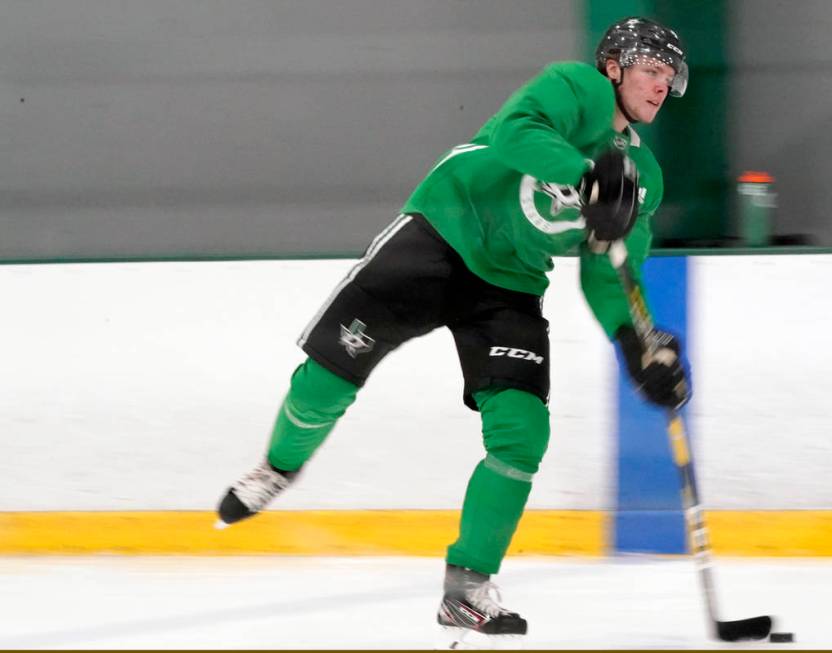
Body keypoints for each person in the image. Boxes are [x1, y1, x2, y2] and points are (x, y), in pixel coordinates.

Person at [216, 16, 691, 643]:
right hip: (440, 234)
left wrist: (637, 344)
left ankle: (466, 589)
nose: (661, 86)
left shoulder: (644, 179)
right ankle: (278, 466)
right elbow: (515, 136)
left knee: (522, 432)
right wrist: (585, 172)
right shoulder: (577, 89)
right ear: (614, 67)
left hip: (509, 282)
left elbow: (610, 271)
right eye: (650, 70)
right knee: (332, 372)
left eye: (668, 76)